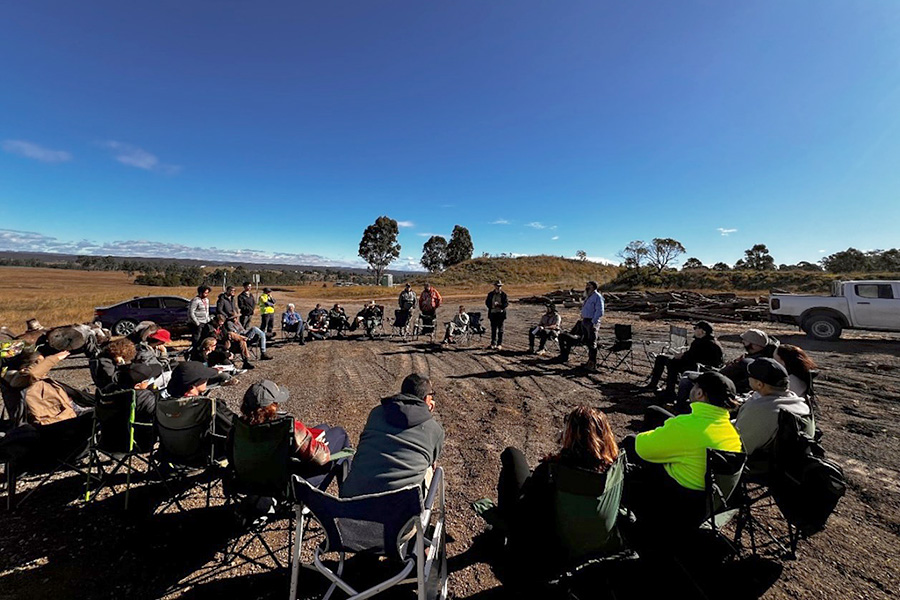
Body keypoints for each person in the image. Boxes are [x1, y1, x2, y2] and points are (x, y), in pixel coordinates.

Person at [621, 371, 742, 530]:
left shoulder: (686, 426)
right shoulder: (732, 431)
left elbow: (642, 449)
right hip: (708, 503)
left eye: (694, 386)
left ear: (699, 394)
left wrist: (657, 435)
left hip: (678, 503)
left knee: (630, 443)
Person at [496, 406, 619, 539]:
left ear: (571, 434)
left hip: (554, 541)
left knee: (512, 455)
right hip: (597, 538)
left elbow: (529, 504)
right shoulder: (613, 470)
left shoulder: (554, 469)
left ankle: (503, 531)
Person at [341, 373, 444, 497]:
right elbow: (431, 462)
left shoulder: (376, 413)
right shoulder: (434, 429)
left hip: (352, 504)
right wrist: (426, 413)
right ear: (426, 399)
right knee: (428, 469)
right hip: (399, 512)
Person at [237, 380, 352, 477]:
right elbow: (321, 458)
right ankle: (348, 492)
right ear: (271, 406)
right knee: (340, 433)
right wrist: (320, 445)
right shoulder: (286, 426)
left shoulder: (238, 428)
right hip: (289, 483)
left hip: (255, 478)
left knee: (324, 427)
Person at [733, 358, 813, 475]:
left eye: (750, 376)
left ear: (759, 384)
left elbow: (741, 445)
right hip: (795, 461)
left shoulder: (760, 408)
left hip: (766, 464)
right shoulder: (799, 403)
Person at [2, 348, 91, 425]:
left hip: (66, 414)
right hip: (54, 421)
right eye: (41, 363)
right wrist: (54, 359)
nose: (45, 367)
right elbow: (32, 374)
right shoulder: (20, 379)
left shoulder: (36, 380)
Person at [645, 321, 725, 403]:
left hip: (700, 369)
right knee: (662, 358)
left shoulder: (704, 343)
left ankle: (670, 392)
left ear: (702, 331)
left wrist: (680, 355)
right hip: (700, 366)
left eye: (695, 328)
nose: (694, 330)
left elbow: (692, 357)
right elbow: (693, 355)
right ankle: (655, 385)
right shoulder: (710, 341)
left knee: (672, 363)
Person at [165, 361, 235, 440]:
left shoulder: (163, 406)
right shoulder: (208, 406)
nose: (207, 379)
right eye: (204, 378)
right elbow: (235, 427)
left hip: (170, 450)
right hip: (202, 450)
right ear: (193, 385)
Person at [719, 329, 778, 393]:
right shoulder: (760, 355)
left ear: (754, 345)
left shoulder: (753, 362)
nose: (743, 342)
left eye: (746, 341)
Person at [485, 280, 509, 350]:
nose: (498, 287)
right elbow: (487, 302)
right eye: (497, 286)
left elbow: (506, 304)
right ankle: (493, 343)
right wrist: (492, 306)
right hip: (493, 313)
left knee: (500, 330)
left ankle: (499, 344)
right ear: (494, 286)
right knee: (493, 329)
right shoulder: (490, 294)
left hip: (500, 314)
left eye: (500, 286)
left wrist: (500, 305)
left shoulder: (504, 295)